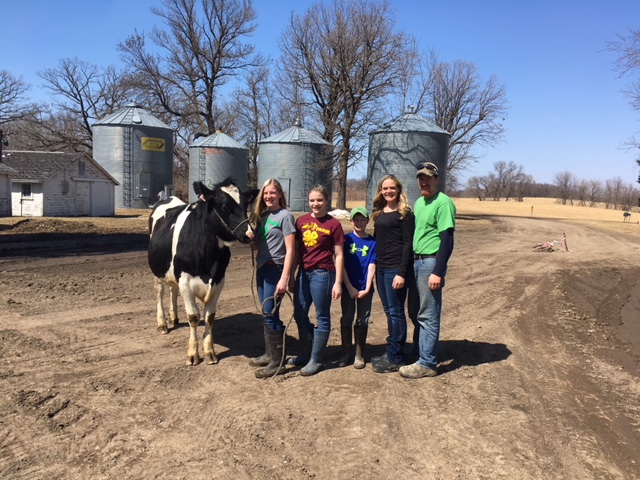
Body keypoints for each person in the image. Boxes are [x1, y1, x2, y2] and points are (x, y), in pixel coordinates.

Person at [399, 162, 456, 379]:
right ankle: (420, 353)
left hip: (431, 264)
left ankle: (428, 363)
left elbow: (448, 240)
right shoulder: (420, 203)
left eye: (428, 178)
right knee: (416, 311)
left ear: (436, 179)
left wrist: (438, 271)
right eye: (421, 178)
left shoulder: (443, 203)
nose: (424, 181)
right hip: (417, 262)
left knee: (428, 314)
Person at [288, 185, 345, 376]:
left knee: (322, 317)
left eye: (319, 200)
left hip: (323, 274)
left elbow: (338, 254)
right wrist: (291, 275)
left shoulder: (333, 225)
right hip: (304, 273)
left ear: (326, 201)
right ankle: (306, 352)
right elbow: (296, 251)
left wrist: (337, 282)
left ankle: (316, 359)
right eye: (312, 200)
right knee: (300, 314)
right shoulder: (301, 221)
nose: (315, 204)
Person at [248, 179, 296, 379]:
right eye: (266, 193)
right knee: (266, 313)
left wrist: (285, 278)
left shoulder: (286, 217)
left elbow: (291, 249)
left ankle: (278, 362)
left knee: (270, 311)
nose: (269, 196)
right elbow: (259, 245)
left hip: (276, 269)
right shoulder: (262, 217)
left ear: (280, 195)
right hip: (262, 268)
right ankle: (270, 354)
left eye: (272, 193)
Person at [371, 175, 415, 373]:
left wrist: (401, 273)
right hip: (381, 269)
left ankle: (396, 357)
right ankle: (392, 351)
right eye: (384, 188)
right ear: (381, 190)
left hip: (394, 270)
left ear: (398, 189)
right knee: (389, 312)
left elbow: (408, 244)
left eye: (392, 188)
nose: (388, 191)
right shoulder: (379, 214)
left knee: (396, 313)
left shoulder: (404, 213)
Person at [339, 206, 377, 369]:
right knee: (347, 318)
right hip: (348, 286)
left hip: (365, 288)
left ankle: (359, 354)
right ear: (351, 221)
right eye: (356, 219)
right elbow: (342, 266)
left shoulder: (372, 242)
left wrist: (367, 287)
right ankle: (346, 352)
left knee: (363, 320)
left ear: (367, 220)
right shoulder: (346, 240)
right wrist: (349, 286)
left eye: (362, 219)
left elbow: (372, 265)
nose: (359, 222)